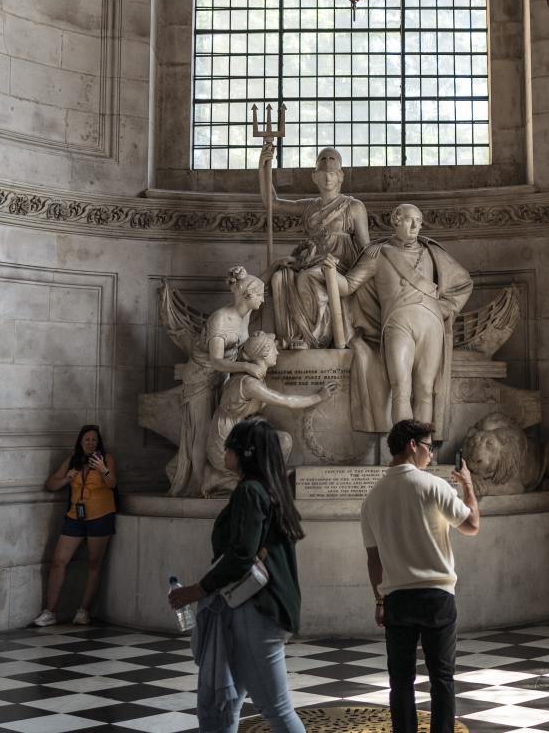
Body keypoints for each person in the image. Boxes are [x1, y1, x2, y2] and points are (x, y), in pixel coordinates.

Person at [168, 418, 307, 733]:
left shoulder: (250, 491)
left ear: (245, 453)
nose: (224, 451)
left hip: (255, 610)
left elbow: (241, 554)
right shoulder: (271, 489)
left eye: (229, 445)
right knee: (223, 703)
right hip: (258, 609)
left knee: (275, 708)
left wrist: (196, 590)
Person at [361, 419, 480, 733]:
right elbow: (472, 526)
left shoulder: (372, 499)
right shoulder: (433, 486)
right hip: (436, 595)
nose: (431, 454)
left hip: (396, 598)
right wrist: (468, 486)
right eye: (429, 447)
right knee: (442, 678)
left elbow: (373, 559)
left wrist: (379, 601)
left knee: (400, 682)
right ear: (412, 445)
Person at [341, 204, 474, 438]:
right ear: (395, 221)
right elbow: (348, 286)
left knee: (425, 390)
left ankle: (421, 448)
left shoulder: (433, 252)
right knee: (401, 389)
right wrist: (326, 271)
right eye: (409, 219)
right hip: (398, 322)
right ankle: (404, 450)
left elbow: (464, 283)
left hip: (432, 325)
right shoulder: (378, 253)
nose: (415, 226)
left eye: (419, 221)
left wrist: (444, 308)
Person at [165, 268, 271, 497]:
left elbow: (256, 282)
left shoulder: (245, 313)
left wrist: (278, 265)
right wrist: (246, 367)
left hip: (223, 376)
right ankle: (197, 485)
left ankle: (214, 477)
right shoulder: (220, 319)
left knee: (217, 431)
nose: (263, 300)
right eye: (260, 295)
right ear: (248, 295)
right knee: (201, 433)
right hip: (201, 378)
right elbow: (216, 361)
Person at [260, 145, 369, 348]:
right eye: (322, 173)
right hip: (310, 261)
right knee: (279, 278)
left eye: (332, 173)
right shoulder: (309, 206)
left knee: (308, 277)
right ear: (314, 177)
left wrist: (363, 277)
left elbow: (366, 248)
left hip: (340, 265)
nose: (327, 178)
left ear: (340, 176)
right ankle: (289, 336)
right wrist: (264, 167)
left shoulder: (354, 206)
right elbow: (272, 203)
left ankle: (315, 338)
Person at [203, 332, 337, 497]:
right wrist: (319, 396)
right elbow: (287, 401)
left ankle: (254, 483)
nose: (278, 353)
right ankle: (217, 480)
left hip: (239, 436)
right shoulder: (249, 384)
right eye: (274, 349)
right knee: (278, 455)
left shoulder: (252, 377)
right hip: (225, 443)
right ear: (264, 354)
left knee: (282, 442)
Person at [31, 425, 116, 627]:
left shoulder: (106, 458)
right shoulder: (72, 459)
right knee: (59, 561)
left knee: (94, 563)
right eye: (87, 439)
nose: (91, 443)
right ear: (80, 442)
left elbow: (112, 483)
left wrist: (103, 469)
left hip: (100, 516)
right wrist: (67, 478)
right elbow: (50, 484)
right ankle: (50, 611)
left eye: (94, 440)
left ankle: (83, 611)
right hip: (75, 517)